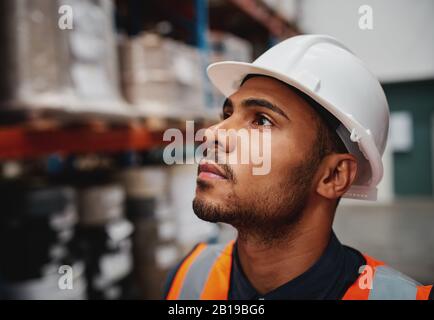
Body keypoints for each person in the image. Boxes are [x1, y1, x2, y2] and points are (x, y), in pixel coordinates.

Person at [164, 35, 433, 300]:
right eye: (227, 114)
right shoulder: (189, 276)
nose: (212, 134)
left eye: (262, 121)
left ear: (333, 176)